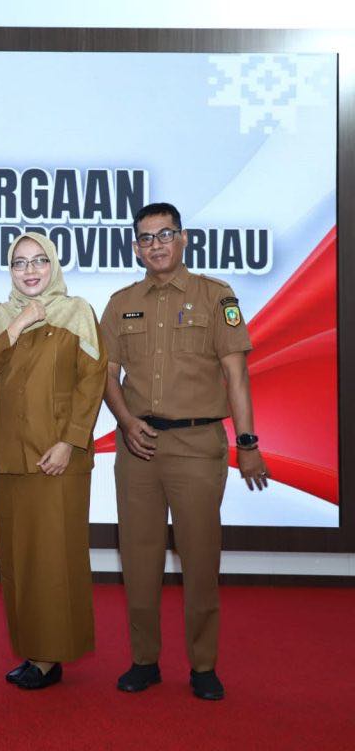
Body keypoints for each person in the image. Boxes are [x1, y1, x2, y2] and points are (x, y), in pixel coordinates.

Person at [99, 202, 270, 701]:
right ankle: (144, 660)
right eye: (146, 238)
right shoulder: (121, 303)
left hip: (197, 446)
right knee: (139, 559)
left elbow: (236, 375)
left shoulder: (215, 297)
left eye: (165, 234)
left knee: (199, 559)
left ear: (184, 238)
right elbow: (106, 374)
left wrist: (248, 443)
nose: (156, 245)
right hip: (139, 447)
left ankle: (203, 665)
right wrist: (125, 421)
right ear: (136, 248)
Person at [0, 231, 107, 690]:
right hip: (6, 458)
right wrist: (18, 324)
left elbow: (93, 382)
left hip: (56, 460)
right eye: (19, 263)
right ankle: (32, 650)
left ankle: (50, 656)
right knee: (16, 560)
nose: (30, 271)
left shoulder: (77, 312)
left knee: (52, 560)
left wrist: (70, 441)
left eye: (39, 261)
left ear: (53, 265)